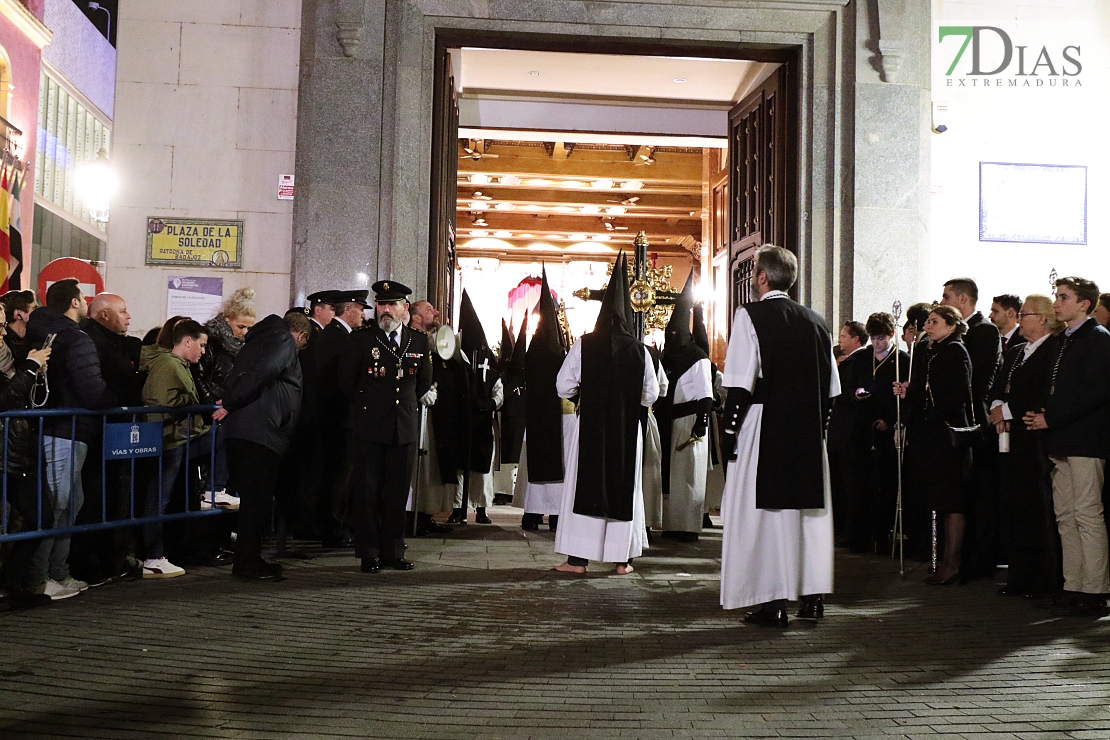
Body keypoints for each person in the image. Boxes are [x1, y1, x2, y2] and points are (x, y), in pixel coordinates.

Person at [718, 245, 837, 626]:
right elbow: (832, 388)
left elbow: (739, 381)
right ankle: (812, 597)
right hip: (807, 429)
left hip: (763, 424)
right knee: (807, 515)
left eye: (754, 273)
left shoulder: (750, 315)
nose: (753, 280)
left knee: (764, 516)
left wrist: (730, 430)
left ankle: (772, 602)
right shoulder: (817, 321)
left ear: (763, 278)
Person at [553, 254, 659, 575]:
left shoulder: (584, 345)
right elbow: (652, 394)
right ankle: (622, 560)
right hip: (628, 431)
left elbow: (562, 386)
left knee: (582, 486)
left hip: (590, 429)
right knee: (625, 489)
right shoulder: (640, 350)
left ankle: (578, 561)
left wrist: (582, 394)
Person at [25, 279, 118, 600]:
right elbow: (91, 389)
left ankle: (57, 572)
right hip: (68, 429)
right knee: (58, 505)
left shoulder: (38, 334)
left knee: (67, 503)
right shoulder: (76, 338)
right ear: (75, 303)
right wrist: (116, 404)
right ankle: (41, 578)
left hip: (54, 427)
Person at [1024, 277, 1110, 617]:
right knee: (1066, 516)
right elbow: (1057, 385)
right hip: (1063, 437)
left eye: (1064, 297)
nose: (1057, 303)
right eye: (1056, 297)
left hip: (1087, 439)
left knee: (1088, 514)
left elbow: (1095, 391)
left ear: (1084, 304)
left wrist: (1053, 416)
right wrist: (1045, 412)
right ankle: (1073, 583)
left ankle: (1096, 588)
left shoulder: (1098, 339)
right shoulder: (1065, 340)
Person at [339, 280, 434, 573]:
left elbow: (423, 382)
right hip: (370, 428)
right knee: (367, 493)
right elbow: (346, 383)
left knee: (396, 493)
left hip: (403, 427)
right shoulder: (361, 340)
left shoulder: (418, 341)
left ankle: (393, 551)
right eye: (381, 305)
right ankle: (369, 553)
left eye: (392, 305)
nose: (385, 311)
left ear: (405, 308)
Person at [218, 313, 304, 581]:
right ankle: (247, 563)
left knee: (254, 500)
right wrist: (231, 402)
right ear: (299, 335)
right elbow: (266, 370)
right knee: (257, 501)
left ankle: (250, 558)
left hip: (250, 429)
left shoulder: (258, 340)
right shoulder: (282, 340)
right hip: (262, 431)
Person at [894, 305, 974, 586]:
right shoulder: (929, 351)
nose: (927, 326)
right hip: (929, 437)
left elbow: (959, 393)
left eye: (934, 321)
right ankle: (938, 558)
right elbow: (920, 390)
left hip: (948, 438)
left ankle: (952, 562)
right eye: (927, 321)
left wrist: (930, 404)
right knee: (937, 497)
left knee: (952, 499)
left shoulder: (955, 351)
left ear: (951, 325)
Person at [989, 294, 1060, 599]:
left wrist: (1006, 412)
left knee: (1034, 508)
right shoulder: (1018, 351)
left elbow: (1039, 392)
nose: (1019, 320)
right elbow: (998, 383)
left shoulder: (1053, 350)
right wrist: (996, 408)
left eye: (1026, 315)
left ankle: (1040, 577)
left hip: (1033, 438)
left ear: (1042, 319)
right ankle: (1019, 575)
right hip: (1011, 438)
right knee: (1013, 505)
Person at [71, 293, 144, 585]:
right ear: (103, 315)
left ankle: (107, 556)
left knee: (110, 497)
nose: (128, 316)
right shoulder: (91, 343)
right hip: (98, 433)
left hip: (112, 433)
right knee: (93, 498)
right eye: (123, 311)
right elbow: (103, 387)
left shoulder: (117, 343)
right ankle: (88, 561)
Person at [139, 319, 213, 578]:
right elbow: (160, 401)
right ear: (187, 341)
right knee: (158, 498)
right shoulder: (169, 365)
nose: (203, 351)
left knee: (161, 498)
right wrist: (190, 402)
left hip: (176, 437)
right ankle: (153, 556)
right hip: (168, 439)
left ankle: (215, 488)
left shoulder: (175, 365)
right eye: (201, 345)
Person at [940, 278, 1001, 580]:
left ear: (963, 300)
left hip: (975, 424)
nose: (941, 302)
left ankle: (978, 561)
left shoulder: (983, 331)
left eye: (946, 296)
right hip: (956, 426)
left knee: (979, 494)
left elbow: (977, 382)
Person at [0, 306, 54, 605]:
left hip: (18, 450)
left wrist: (33, 370)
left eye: (4, 324)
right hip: (5, 451)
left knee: (40, 517)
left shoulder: (10, 355)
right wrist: (31, 368)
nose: (4, 331)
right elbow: (3, 399)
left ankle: (13, 583)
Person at [513, 269, 572, 533]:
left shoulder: (533, 347)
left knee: (537, 466)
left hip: (537, 416)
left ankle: (532, 515)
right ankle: (557, 516)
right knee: (558, 467)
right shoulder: (558, 349)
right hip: (558, 417)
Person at [657, 272, 713, 542]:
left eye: (677, 332)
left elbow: (705, 392)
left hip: (690, 422)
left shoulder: (697, 358)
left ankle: (688, 526)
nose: (673, 336)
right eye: (671, 332)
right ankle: (671, 523)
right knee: (672, 478)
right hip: (671, 420)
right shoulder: (668, 357)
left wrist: (701, 423)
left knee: (688, 476)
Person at [311, 289, 368, 547]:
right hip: (338, 417)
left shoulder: (337, 335)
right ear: (349, 310)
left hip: (336, 417)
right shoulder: (338, 338)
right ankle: (332, 528)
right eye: (360, 309)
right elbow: (341, 381)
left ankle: (332, 525)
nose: (363, 314)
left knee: (336, 474)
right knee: (336, 475)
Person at [849, 313, 909, 553]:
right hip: (862, 426)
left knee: (885, 482)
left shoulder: (902, 360)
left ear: (891, 336)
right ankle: (860, 535)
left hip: (886, 428)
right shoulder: (861, 358)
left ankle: (883, 535)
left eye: (881, 338)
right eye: (873, 338)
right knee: (860, 483)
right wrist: (855, 394)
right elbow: (848, 386)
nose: (877, 343)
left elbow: (906, 397)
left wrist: (892, 420)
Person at [447, 291, 503, 525]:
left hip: (481, 421)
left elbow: (498, 389)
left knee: (481, 468)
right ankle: (458, 508)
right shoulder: (455, 358)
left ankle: (480, 509)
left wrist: (488, 404)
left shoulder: (489, 362)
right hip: (460, 420)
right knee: (460, 467)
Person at [405, 299, 455, 536]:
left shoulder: (430, 341)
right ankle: (409, 515)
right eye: (428, 310)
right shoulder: (409, 340)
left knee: (428, 470)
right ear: (415, 317)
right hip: (411, 413)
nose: (435, 312)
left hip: (432, 414)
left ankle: (424, 514)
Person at [827, 320, 869, 544]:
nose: (840, 340)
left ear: (856, 339)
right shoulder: (844, 361)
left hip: (851, 430)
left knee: (849, 482)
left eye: (844, 336)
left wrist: (853, 394)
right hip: (840, 429)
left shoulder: (861, 360)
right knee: (839, 482)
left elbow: (854, 389)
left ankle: (852, 531)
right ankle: (841, 527)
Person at [495, 318, 527, 511]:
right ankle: (502, 491)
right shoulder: (504, 377)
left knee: (519, 455)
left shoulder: (527, 377)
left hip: (523, 419)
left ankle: (514, 491)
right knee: (507, 456)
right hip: (507, 419)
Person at [0, 289, 37, 365]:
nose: (38, 313)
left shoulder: (30, 339)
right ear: (18, 314)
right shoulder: (3, 345)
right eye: (34, 309)